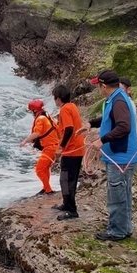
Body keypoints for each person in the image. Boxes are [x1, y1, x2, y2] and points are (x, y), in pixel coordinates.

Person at [88, 70, 137, 241]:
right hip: (124, 157)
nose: (98, 89)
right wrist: (90, 123)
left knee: (117, 195)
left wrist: (101, 140)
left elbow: (123, 126)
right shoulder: (117, 98)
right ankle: (124, 228)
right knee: (123, 193)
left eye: (98, 86)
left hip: (121, 158)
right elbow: (108, 118)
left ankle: (117, 231)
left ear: (103, 86)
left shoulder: (118, 101)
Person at [52, 84, 86, 220]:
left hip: (71, 151)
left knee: (67, 180)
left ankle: (72, 210)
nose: (54, 101)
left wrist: (61, 148)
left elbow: (69, 129)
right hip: (77, 149)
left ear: (59, 98)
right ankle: (66, 204)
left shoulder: (65, 109)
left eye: (55, 98)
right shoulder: (72, 106)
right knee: (66, 179)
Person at [20, 98, 59, 195]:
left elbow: (37, 133)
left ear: (34, 111)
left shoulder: (40, 119)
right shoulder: (46, 116)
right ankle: (46, 188)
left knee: (39, 169)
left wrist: (25, 141)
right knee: (45, 169)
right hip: (52, 146)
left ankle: (48, 190)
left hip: (50, 148)